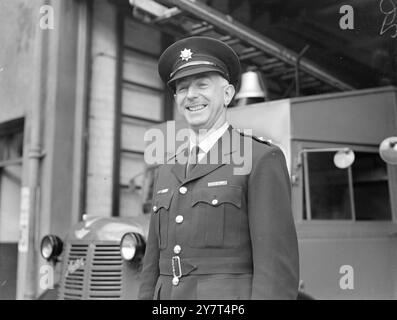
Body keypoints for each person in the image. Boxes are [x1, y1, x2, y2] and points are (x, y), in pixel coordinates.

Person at [138, 36, 299, 300]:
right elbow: (151, 266)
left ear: (227, 94)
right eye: (182, 87)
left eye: (202, 85)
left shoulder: (260, 158)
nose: (191, 95)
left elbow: (275, 271)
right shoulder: (167, 168)